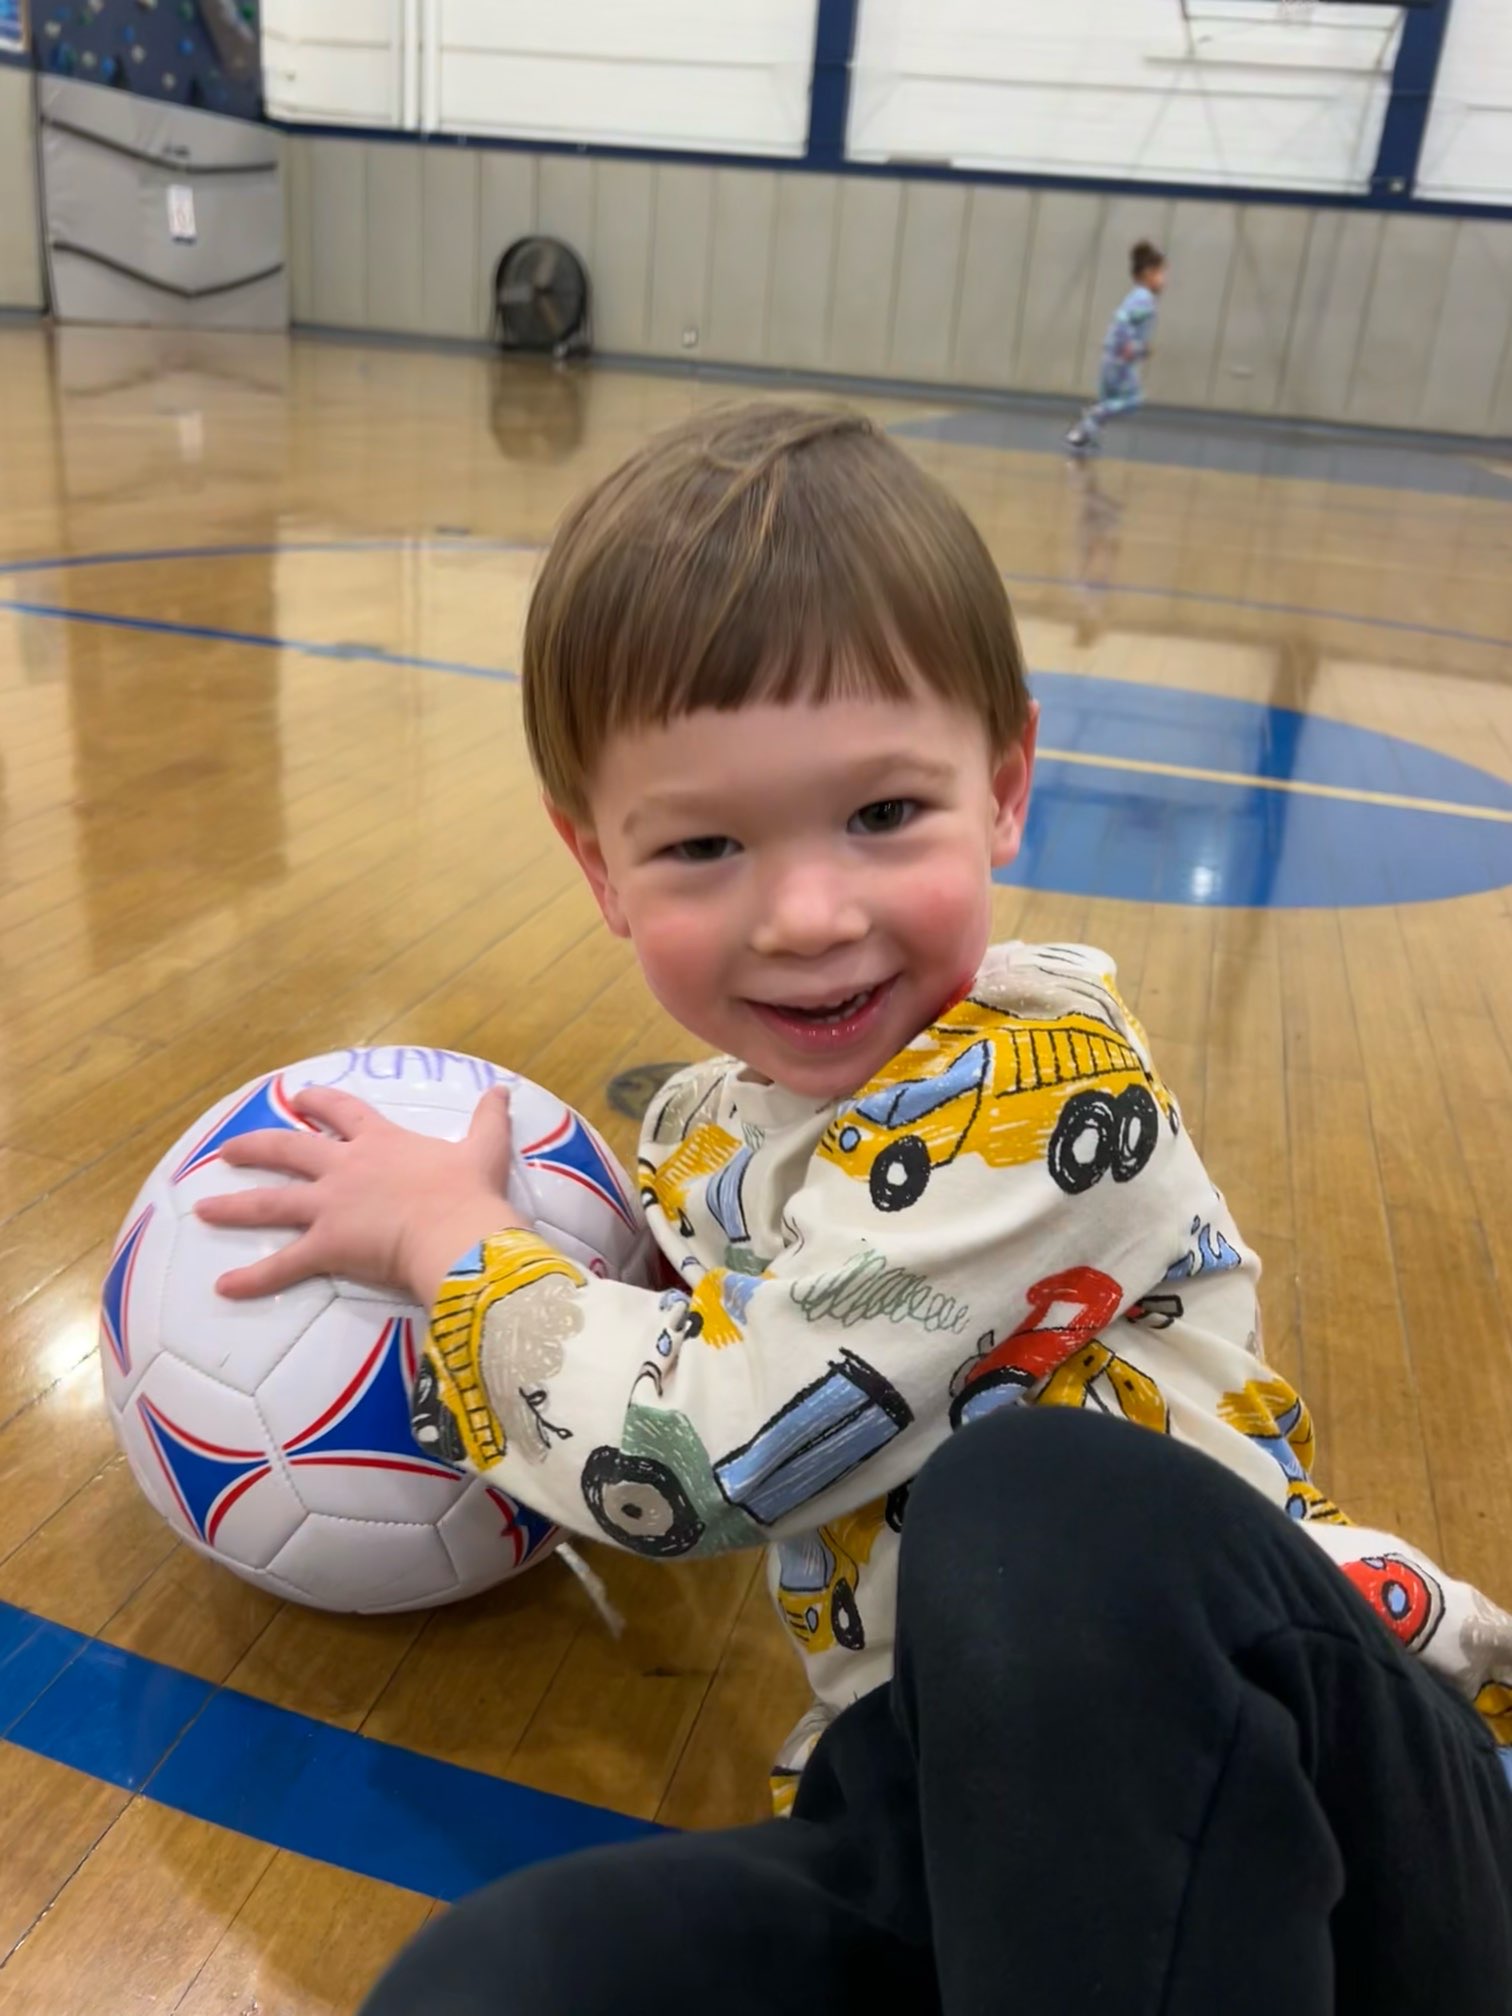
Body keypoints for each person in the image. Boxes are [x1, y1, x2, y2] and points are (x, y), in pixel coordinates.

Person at [196, 404, 1512, 2012]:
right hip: (956, 1828)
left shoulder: (1030, 1092)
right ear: (597, 864)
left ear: (1008, 782)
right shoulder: (710, 1131)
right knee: (495, 1984)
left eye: (884, 814)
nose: (809, 916)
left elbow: (701, 1455)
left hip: (1300, 1785)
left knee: (1036, 1513)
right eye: (701, 845)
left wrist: (447, 1246)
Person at [1066, 238, 1167, 455]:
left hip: (1111, 357)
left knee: (1107, 402)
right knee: (1132, 401)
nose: (1164, 280)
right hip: (1120, 361)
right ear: (1148, 273)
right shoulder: (1145, 298)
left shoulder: (1137, 296)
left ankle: (1084, 435)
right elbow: (1122, 320)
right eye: (1161, 273)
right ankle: (1092, 419)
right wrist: (1133, 347)